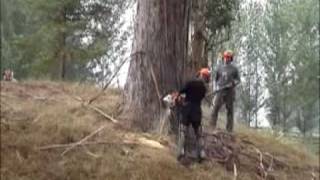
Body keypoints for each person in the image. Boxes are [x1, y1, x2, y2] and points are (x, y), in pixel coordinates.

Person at [176, 68, 210, 161]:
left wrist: (179, 97)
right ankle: (201, 153)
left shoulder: (190, 82)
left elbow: (181, 91)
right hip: (197, 111)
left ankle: (180, 152)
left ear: (200, 74)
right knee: (199, 133)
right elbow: (199, 97)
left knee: (183, 131)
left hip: (187, 109)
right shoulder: (203, 88)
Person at [211, 50, 240, 132]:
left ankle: (229, 129)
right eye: (225, 57)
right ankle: (212, 125)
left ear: (231, 59)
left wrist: (233, 83)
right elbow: (216, 79)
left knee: (230, 110)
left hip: (230, 92)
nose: (226, 59)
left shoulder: (234, 69)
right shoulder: (219, 67)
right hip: (220, 90)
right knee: (215, 107)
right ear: (223, 58)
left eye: (228, 57)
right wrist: (217, 86)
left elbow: (238, 80)